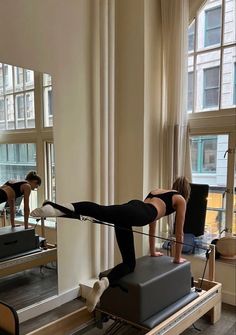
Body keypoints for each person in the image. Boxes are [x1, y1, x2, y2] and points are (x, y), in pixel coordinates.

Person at [30, 176, 191, 312]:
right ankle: (55, 208)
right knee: (101, 211)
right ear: (186, 192)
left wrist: (152, 251)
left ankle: (103, 283)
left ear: (174, 185)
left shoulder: (158, 190)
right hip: (139, 214)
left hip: (134, 209)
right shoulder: (180, 199)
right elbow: (179, 232)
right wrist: (177, 259)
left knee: (129, 264)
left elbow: (152, 223)